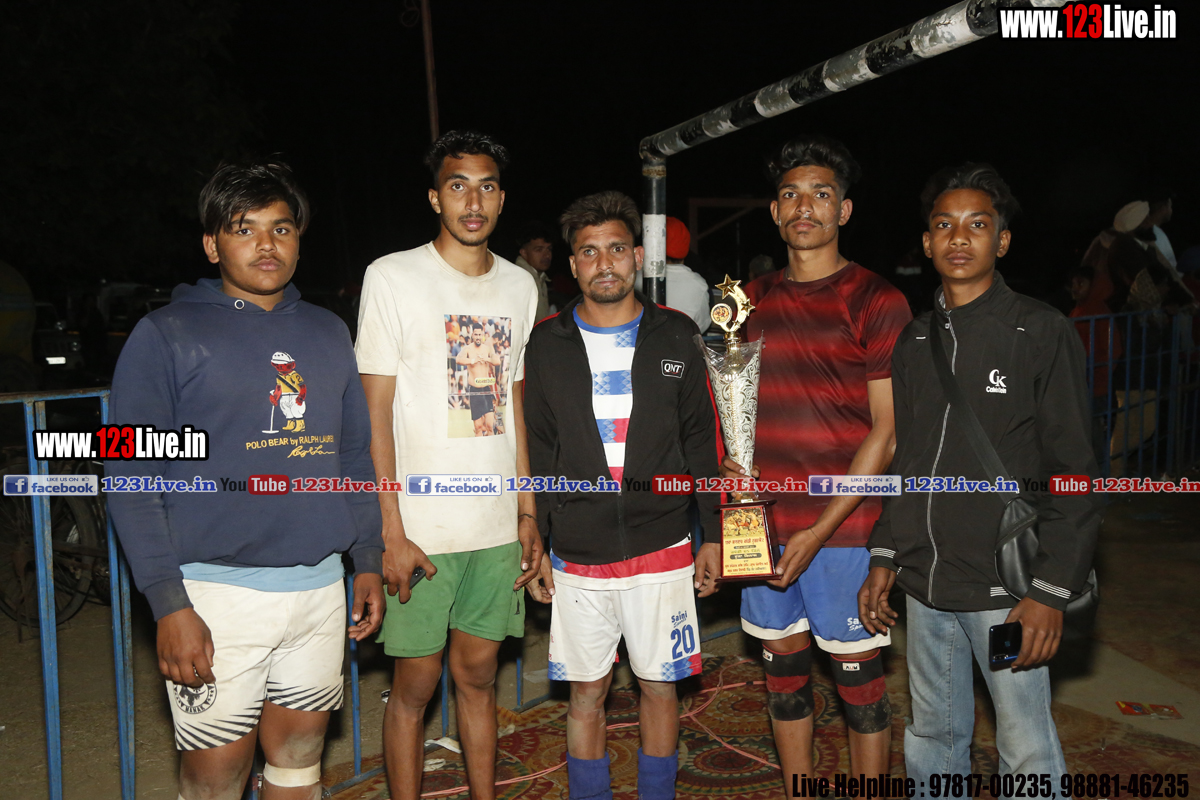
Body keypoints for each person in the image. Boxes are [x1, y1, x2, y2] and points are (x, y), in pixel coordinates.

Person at [107, 161, 385, 800]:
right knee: (215, 783)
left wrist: (366, 556)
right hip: (215, 597)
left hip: (320, 593)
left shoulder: (327, 331)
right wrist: (168, 603)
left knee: (298, 767)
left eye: (281, 228)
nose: (266, 244)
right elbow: (129, 474)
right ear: (212, 245)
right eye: (244, 228)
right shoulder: (165, 335)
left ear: (299, 239)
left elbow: (351, 456)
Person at [860, 163, 1101, 781]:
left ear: (1003, 240)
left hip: (1004, 589)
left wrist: (1049, 591)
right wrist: (885, 554)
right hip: (926, 584)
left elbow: (1075, 470)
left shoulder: (1039, 330)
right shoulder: (915, 342)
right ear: (926, 242)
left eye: (977, 224)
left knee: (1024, 742)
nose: (959, 238)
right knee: (932, 734)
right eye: (944, 225)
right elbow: (907, 461)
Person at [355, 130, 542, 800]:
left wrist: (528, 513)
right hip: (421, 532)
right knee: (414, 687)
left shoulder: (521, 285)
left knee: (479, 678)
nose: (473, 201)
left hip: (494, 529)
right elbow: (374, 413)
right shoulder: (391, 277)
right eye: (458, 185)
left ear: (502, 199)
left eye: (487, 186)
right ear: (436, 197)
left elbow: (515, 408)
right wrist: (390, 530)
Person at [721, 135, 911, 783]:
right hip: (761, 525)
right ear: (775, 211)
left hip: (845, 527)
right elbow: (732, 411)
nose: (805, 207)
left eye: (821, 194)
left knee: (859, 684)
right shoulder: (744, 303)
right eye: (791, 195)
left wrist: (820, 529)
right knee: (784, 677)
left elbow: (886, 433)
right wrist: (730, 469)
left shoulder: (877, 300)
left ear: (844, 210)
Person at [522, 191, 722, 800]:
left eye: (615, 249)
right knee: (587, 694)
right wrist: (538, 539)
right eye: (589, 252)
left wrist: (713, 535)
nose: (603, 263)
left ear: (637, 256)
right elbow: (539, 450)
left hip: (663, 545)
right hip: (578, 553)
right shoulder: (546, 343)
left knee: (659, 687)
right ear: (572, 265)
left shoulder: (678, 333)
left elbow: (701, 441)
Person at [514, 220, 556, 322]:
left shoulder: (540, 277)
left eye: (549, 249)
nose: (547, 255)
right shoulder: (518, 279)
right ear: (524, 253)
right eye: (539, 250)